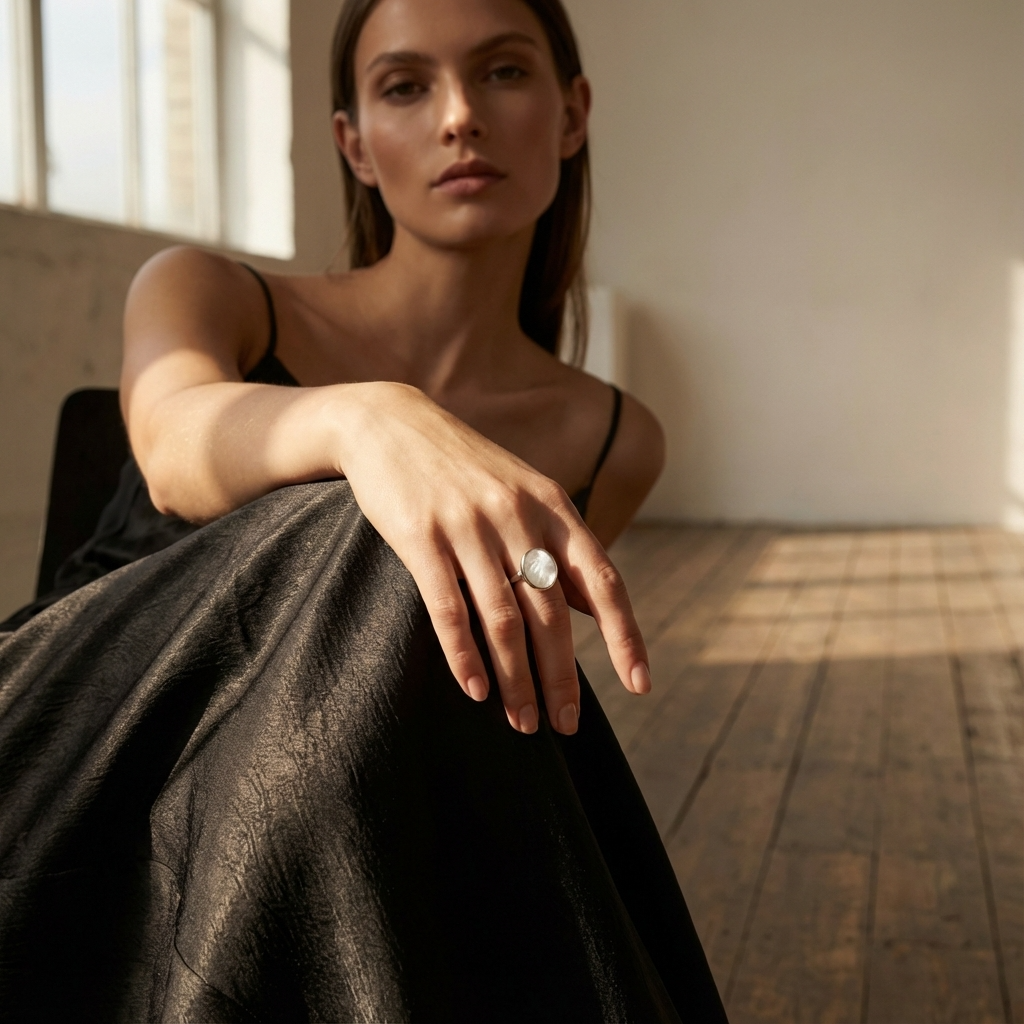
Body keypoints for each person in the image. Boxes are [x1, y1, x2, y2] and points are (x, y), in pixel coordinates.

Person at [0, 0, 728, 1020]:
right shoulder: (211, 289)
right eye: (405, 86)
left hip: (302, 816)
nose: (460, 116)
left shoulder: (613, 440)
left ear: (571, 115)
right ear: (353, 143)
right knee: (383, 539)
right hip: (76, 749)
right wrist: (373, 426)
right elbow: (172, 448)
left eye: (504, 73)